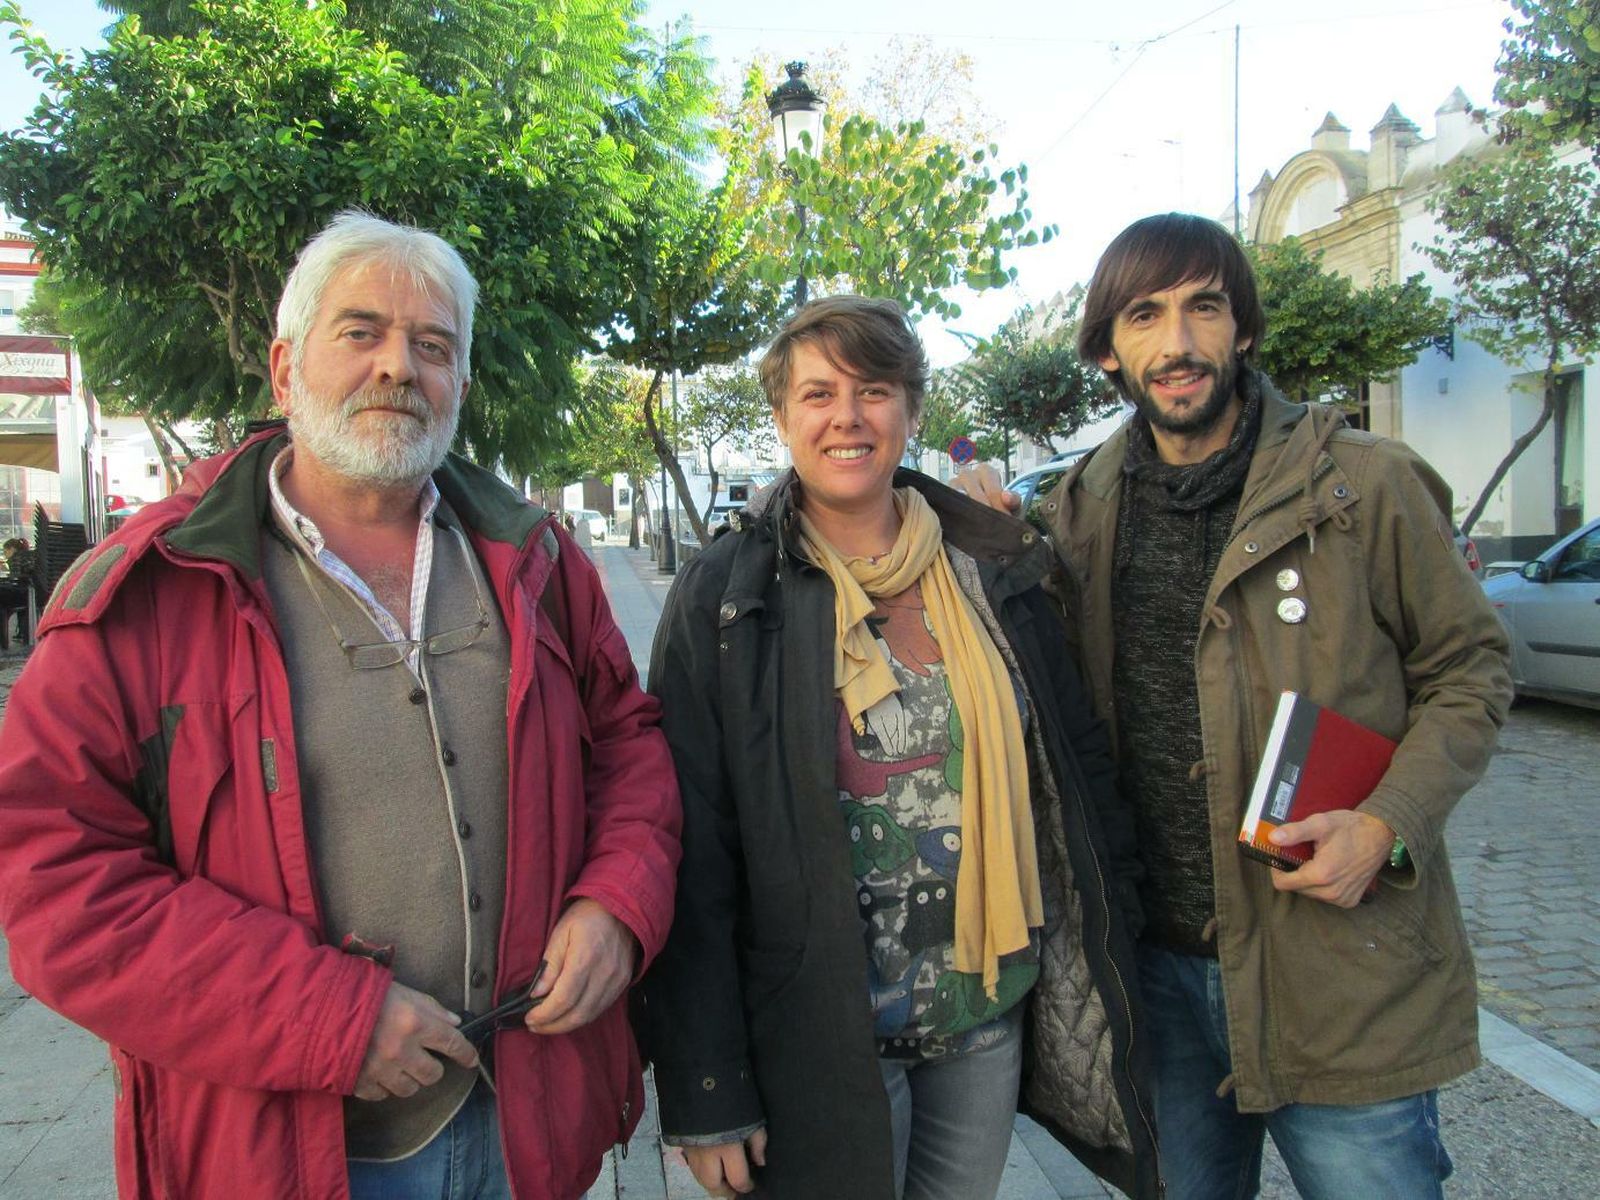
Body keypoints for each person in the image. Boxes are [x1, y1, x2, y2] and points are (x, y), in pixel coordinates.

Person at [0, 211, 682, 1200]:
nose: (398, 368)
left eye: (433, 346)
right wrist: (328, 1019)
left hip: (527, 1127)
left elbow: (628, 747)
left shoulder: (536, 563)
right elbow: (57, 880)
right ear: (284, 370)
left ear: (459, 383)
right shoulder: (148, 594)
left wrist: (616, 902)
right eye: (361, 332)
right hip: (283, 1151)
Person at [956, 213, 1512, 1200]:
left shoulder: (1363, 487)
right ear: (1108, 350)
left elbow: (1470, 669)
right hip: (1157, 990)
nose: (1176, 344)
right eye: (1144, 315)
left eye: (1202, 307)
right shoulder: (1078, 512)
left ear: (1242, 329)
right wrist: (984, 539)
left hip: (1341, 971)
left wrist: (1388, 822)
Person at [640, 295, 1161, 1200]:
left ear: (912, 413)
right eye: (817, 393)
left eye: (874, 390)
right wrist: (707, 1086)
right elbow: (693, 849)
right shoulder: (726, 597)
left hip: (982, 1018)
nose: (847, 416)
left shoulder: (991, 570)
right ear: (782, 418)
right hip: (815, 1038)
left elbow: (1075, 777)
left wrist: (1119, 963)